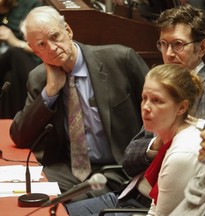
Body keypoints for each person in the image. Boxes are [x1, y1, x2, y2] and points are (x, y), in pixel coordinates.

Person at [9, 6, 149, 195]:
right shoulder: (39, 78)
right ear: (35, 51)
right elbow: (20, 136)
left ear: (68, 31)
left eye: (55, 37)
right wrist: (50, 92)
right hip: (68, 169)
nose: (51, 48)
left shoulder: (120, 60)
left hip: (119, 168)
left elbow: (162, 112)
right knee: (22, 194)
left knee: (71, 202)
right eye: (41, 44)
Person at [122, 4, 205, 178]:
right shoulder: (160, 89)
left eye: (178, 44)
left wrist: (179, 133)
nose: (169, 53)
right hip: (140, 192)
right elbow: (129, 158)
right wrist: (158, 143)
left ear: (201, 48)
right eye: (164, 44)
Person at [65, 63, 205, 216]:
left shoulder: (183, 154)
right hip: (128, 195)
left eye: (156, 101)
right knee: (56, 212)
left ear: (181, 107)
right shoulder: (170, 128)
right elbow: (129, 161)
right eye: (144, 98)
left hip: (142, 210)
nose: (146, 107)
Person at [0, 0, 42, 118]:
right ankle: (11, 126)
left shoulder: (30, 5)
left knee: (14, 53)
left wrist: (15, 42)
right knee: (10, 78)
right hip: (8, 72)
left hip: (29, 63)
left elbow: (44, 48)